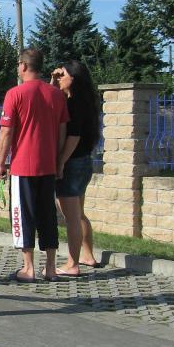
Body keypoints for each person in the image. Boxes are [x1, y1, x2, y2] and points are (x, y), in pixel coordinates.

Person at [0, 48, 69, 283]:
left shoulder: (14, 94)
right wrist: (58, 160)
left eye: (18, 64)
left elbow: (6, 132)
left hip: (23, 167)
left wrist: (1, 163)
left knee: (22, 215)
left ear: (24, 66)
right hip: (48, 166)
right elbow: (62, 131)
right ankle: (51, 268)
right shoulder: (56, 95)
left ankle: (28, 269)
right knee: (48, 214)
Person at [51, 60, 102, 275]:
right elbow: (51, 97)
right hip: (84, 162)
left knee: (71, 218)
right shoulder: (86, 102)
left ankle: (72, 265)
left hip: (72, 164)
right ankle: (87, 255)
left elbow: (73, 136)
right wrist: (53, 81)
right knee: (79, 214)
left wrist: (61, 162)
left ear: (74, 78)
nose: (59, 78)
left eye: (62, 75)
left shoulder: (73, 104)